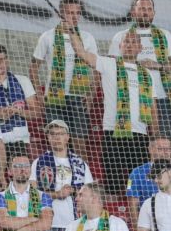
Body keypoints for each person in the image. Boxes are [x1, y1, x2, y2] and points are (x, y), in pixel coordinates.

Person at [69, 28, 165, 198]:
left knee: (138, 186)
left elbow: (153, 106)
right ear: (120, 46)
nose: (130, 45)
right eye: (126, 41)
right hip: (113, 133)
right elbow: (82, 53)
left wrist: (155, 134)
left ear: (140, 48)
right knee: (113, 186)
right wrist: (71, 29)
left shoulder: (147, 74)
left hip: (140, 135)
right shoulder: (108, 64)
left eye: (134, 42)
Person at [31, 0, 98, 155]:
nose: (74, 17)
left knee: (79, 144)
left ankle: (81, 171)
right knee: (57, 143)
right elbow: (33, 67)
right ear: (60, 14)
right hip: (54, 97)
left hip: (78, 97)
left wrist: (91, 95)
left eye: (77, 13)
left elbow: (96, 69)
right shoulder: (47, 36)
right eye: (70, 13)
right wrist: (39, 95)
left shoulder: (87, 38)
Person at [111, 0, 171, 126]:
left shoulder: (165, 35)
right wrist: (135, 64)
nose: (146, 13)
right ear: (133, 12)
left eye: (149, 9)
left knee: (164, 137)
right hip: (130, 98)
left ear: (154, 13)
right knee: (135, 138)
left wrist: (158, 66)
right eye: (142, 9)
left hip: (161, 98)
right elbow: (111, 67)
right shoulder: (121, 36)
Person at [33, 118, 94, 231]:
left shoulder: (80, 163)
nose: (57, 137)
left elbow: (90, 193)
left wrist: (74, 191)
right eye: (53, 134)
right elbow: (31, 194)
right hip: (49, 224)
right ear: (48, 138)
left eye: (60, 134)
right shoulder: (39, 162)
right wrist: (56, 194)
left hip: (75, 223)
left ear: (67, 137)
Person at [0, 44, 38, 161]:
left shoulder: (23, 81)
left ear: (7, 61)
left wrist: (16, 111)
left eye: (1, 59)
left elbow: (37, 113)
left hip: (21, 140)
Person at [126, 136, 171, 223]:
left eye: (168, 149)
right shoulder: (136, 173)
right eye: (160, 149)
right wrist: (138, 229)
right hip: (149, 223)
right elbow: (132, 205)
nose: (165, 152)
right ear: (150, 150)